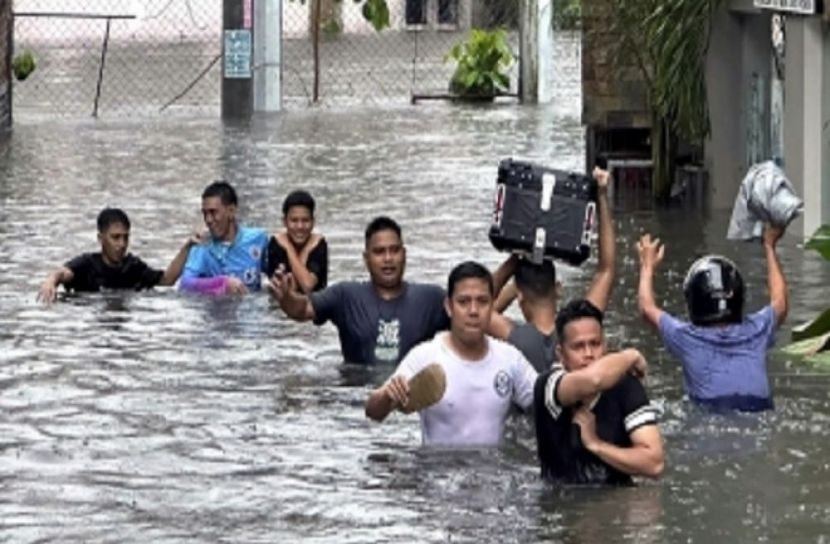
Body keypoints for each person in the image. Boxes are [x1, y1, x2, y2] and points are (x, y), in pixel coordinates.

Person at [365, 261, 538, 447]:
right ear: (449, 307)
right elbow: (374, 413)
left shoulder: (510, 359)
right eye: (464, 302)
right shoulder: (425, 356)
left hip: (493, 471)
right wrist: (387, 394)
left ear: (491, 307)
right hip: (437, 471)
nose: (473, 311)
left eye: (482, 302)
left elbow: (545, 402)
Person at [637, 225, 788, 412]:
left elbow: (646, 308)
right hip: (760, 407)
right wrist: (769, 246)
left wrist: (647, 267)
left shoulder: (685, 338)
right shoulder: (757, 331)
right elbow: (780, 302)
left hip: (712, 411)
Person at [270, 216, 449, 365]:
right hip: (356, 398)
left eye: (394, 251)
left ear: (404, 254)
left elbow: (470, 329)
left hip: (412, 398)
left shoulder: (431, 299)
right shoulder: (346, 296)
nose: (388, 259)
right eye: (379, 252)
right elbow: (302, 309)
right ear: (366, 258)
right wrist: (286, 297)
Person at [488, 166, 615, 372]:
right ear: (557, 288)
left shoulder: (514, 337)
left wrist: (515, 260)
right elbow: (606, 270)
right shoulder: (580, 330)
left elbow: (478, 305)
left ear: (519, 297)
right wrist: (601, 195)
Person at [533, 299, 664, 485]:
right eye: (578, 346)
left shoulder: (626, 386)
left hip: (617, 502)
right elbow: (594, 380)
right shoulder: (549, 385)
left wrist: (597, 445)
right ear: (561, 354)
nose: (588, 353)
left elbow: (655, 464)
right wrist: (631, 355)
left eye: (595, 344)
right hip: (563, 502)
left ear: (605, 346)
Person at [37, 207, 194, 303]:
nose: (122, 244)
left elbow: (167, 280)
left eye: (126, 237)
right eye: (115, 237)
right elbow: (63, 273)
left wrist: (188, 246)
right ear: (101, 239)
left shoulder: (133, 267)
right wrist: (50, 281)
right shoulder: (87, 265)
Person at [180, 181, 269, 296]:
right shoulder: (202, 246)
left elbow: (274, 272)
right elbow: (185, 284)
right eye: (205, 214)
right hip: (217, 310)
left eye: (213, 212)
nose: (208, 220)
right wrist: (222, 283)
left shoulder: (258, 238)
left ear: (231, 211)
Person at [264, 189, 328, 294]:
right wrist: (291, 249)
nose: (300, 226)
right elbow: (289, 290)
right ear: (284, 222)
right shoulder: (276, 244)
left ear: (313, 222)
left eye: (305, 220)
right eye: (294, 220)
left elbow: (307, 286)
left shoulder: (319, 244)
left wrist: (292, 250)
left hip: (316, 306)